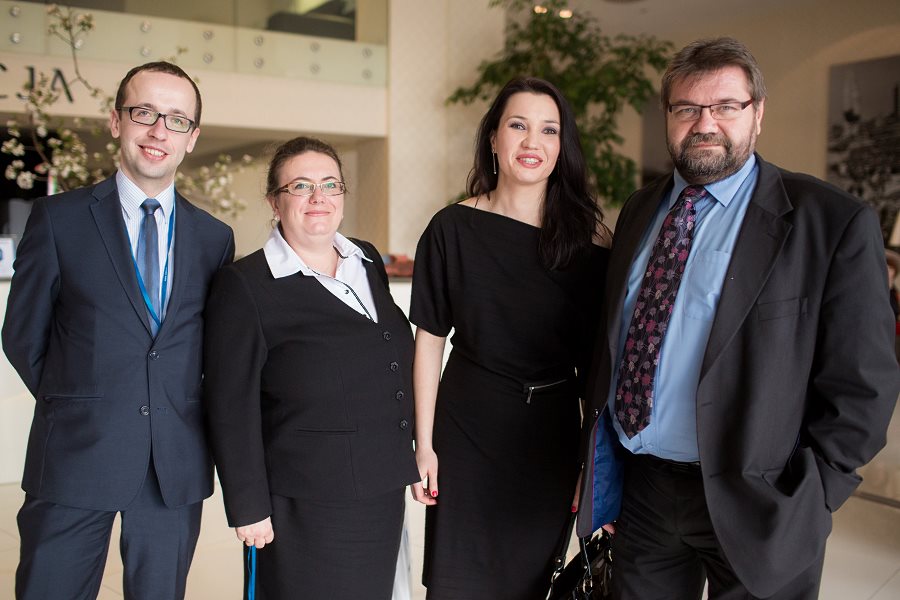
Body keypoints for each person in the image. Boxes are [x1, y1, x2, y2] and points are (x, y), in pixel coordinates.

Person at [576, 37, 900, 599]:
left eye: (726, 106)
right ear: (668, 116)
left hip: (763, 500)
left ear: (757, 114)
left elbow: (864, 383)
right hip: (644, 493)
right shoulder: (639, 210)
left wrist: (813, 493)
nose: (705, 124)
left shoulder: (831, 222)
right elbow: (615, 344)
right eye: (687, 108)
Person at [2, 61, 235, 599]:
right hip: (75, 453)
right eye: (144, 112)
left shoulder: (214, 238)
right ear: (116, 122)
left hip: (173, 463)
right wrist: (78, 400)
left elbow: (213, 349)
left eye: (176, 119)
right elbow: (23, 335)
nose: (159, 131)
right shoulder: (57, 219)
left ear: (192, 138)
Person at [410, 77, 612, 599]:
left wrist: (593, 467)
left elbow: (599, 367)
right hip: (467, 431)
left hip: (550, 440)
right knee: (457, 585)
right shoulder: (452, 228)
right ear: (494, 139)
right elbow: (429, 341)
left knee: (530, 585)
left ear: (562, 147)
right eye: (518, 125)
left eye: (549, 130)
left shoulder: (591, 242)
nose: (532, 142)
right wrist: (424, 445)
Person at [202, 136, 420, 599]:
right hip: (305, 500)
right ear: (274, 202)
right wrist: (248, 506)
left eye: (330, 184)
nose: (318, 197)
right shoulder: (245, 284)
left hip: (381, 487)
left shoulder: (366, 260)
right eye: (300, 186)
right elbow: (229, 405)